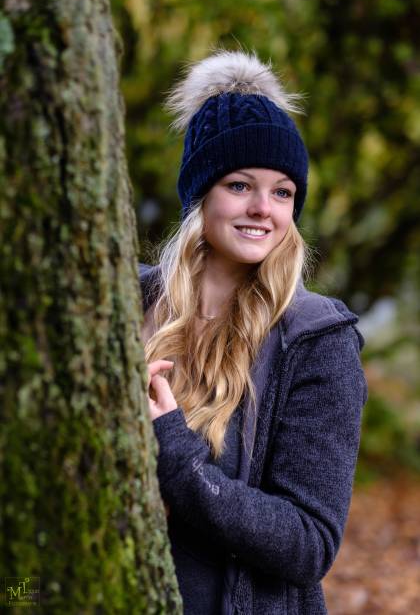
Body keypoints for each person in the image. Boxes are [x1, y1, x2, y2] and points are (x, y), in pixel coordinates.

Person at [139, 49, 368, 615]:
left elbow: (308, 542)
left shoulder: (317, 339)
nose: (264, 208)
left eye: (283, 192)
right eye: (240, 185)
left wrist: (175, 451)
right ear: (201, 195)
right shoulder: (125, 301)